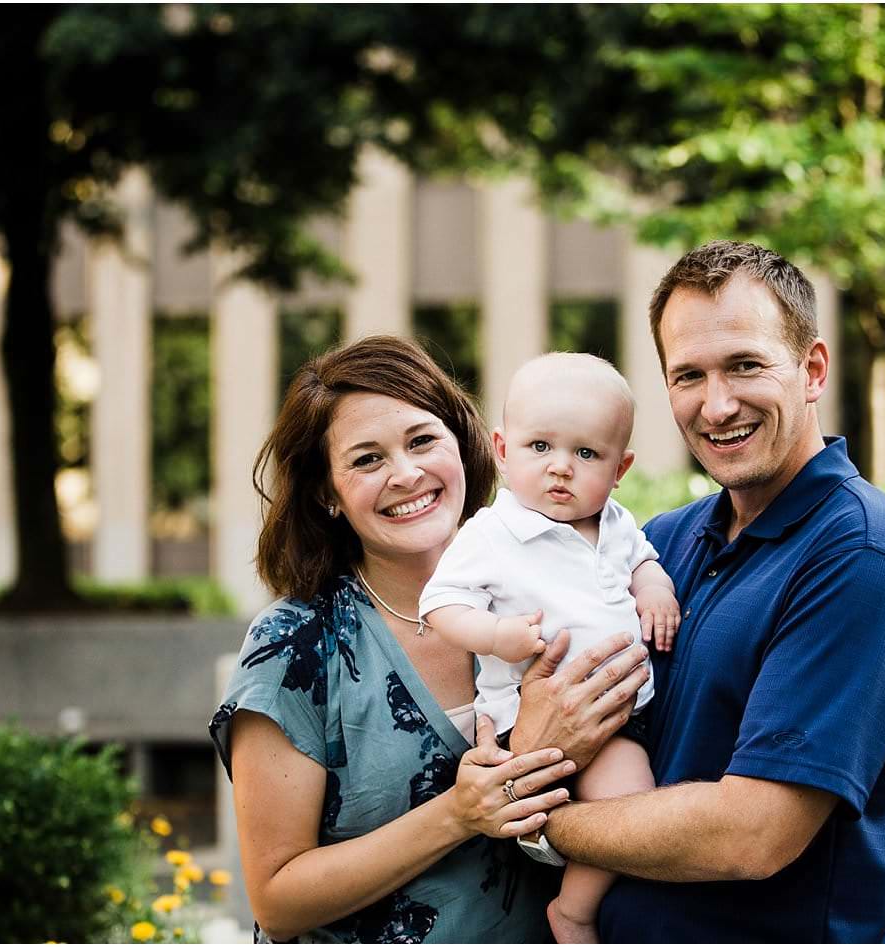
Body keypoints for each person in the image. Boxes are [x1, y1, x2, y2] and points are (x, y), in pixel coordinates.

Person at [512, 240, 885, 942]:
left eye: (745, 364)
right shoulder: (661, 542)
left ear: (812, 369)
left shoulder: (864, 555)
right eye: (688, 375)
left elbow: (753, 834)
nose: (716, 405)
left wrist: (535, 817)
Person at [209, 335, 651, 943]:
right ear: (325, 493)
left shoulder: (555, 581)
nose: (407, 474)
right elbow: (277, 897)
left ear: (465, 447)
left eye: (422, 441)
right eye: (367, 460)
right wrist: (459, 813)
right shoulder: (295, 645)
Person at [418, 351, 680, 943]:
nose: (561, 468)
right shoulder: (491, 533)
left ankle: (577, 903)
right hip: (530, 720)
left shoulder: (613, 522)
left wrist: (655, 588)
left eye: (586, 454)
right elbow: (440, 606)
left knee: (633, 809)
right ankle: (576, 912)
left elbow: (642, 559)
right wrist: (496, 636)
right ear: (503, 451)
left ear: (620, 468)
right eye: (541, 448)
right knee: (604, 811)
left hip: (618, 718)